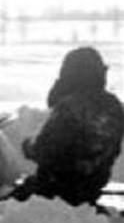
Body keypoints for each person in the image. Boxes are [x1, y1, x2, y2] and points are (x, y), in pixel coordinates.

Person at [19, 46, 124, 206]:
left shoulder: (69, 107)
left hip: (56, 190)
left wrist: (28, 147)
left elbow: (45, 150)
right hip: (93, 186)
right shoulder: (114, 106)